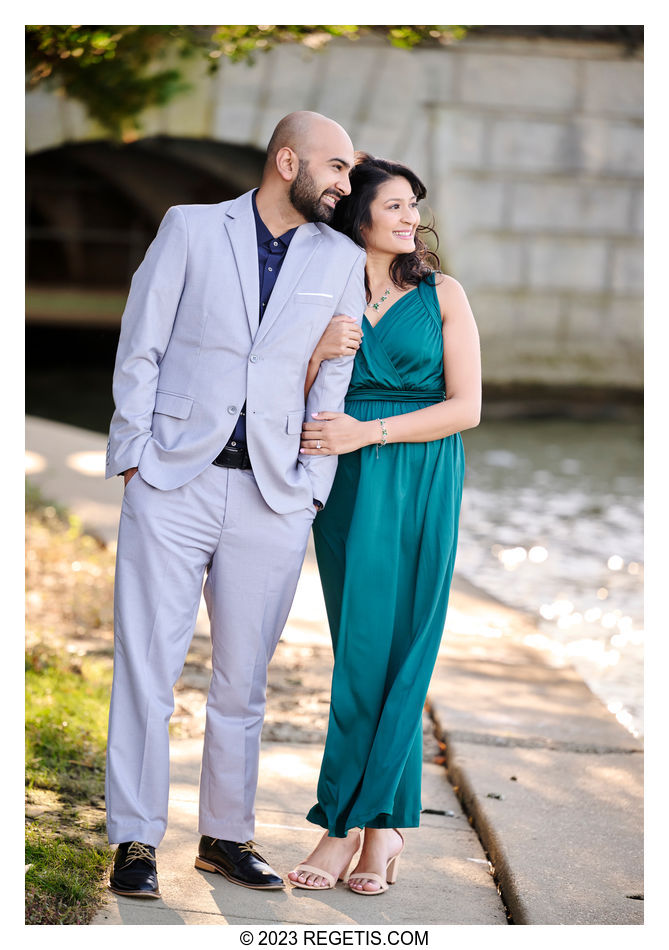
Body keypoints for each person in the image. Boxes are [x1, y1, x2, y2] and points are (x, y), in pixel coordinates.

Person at [103, 111, 367, 898]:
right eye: (336, 167)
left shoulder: (342, 256)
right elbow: (140, 343)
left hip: (273, 494)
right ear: (287, 160)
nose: (345, 184)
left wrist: (309, 489)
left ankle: (224, 835)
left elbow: (331, 380)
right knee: (147, 665)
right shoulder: (189, 228)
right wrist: (133, 459)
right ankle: (135, 842)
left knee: (243, 680)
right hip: (171, 480)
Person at [287, 154, 481, 895]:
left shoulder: (442, 293)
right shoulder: (319, 287)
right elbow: (281, 386)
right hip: (341, 485)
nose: (409, 218)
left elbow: (465, 408)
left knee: (404, 648)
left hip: (417, 474)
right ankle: (380, 827)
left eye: (413, 207)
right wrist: (314, 357)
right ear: (357, 214)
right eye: (394, 206)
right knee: (361, 649)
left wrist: (368, 434)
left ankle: (349, 827)